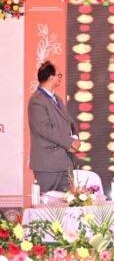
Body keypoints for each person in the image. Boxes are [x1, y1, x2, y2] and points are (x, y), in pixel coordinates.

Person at [28, 61, 80, 192]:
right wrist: (69, 142)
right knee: (46, 203)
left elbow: (70, 122)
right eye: (59, 75)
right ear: (51, 77)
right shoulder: (37, 101)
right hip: (47, 165)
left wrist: (75, 137)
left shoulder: (57, 98)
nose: (60, 78)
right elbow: (44, 130)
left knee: (68, 201)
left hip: (65, 163)